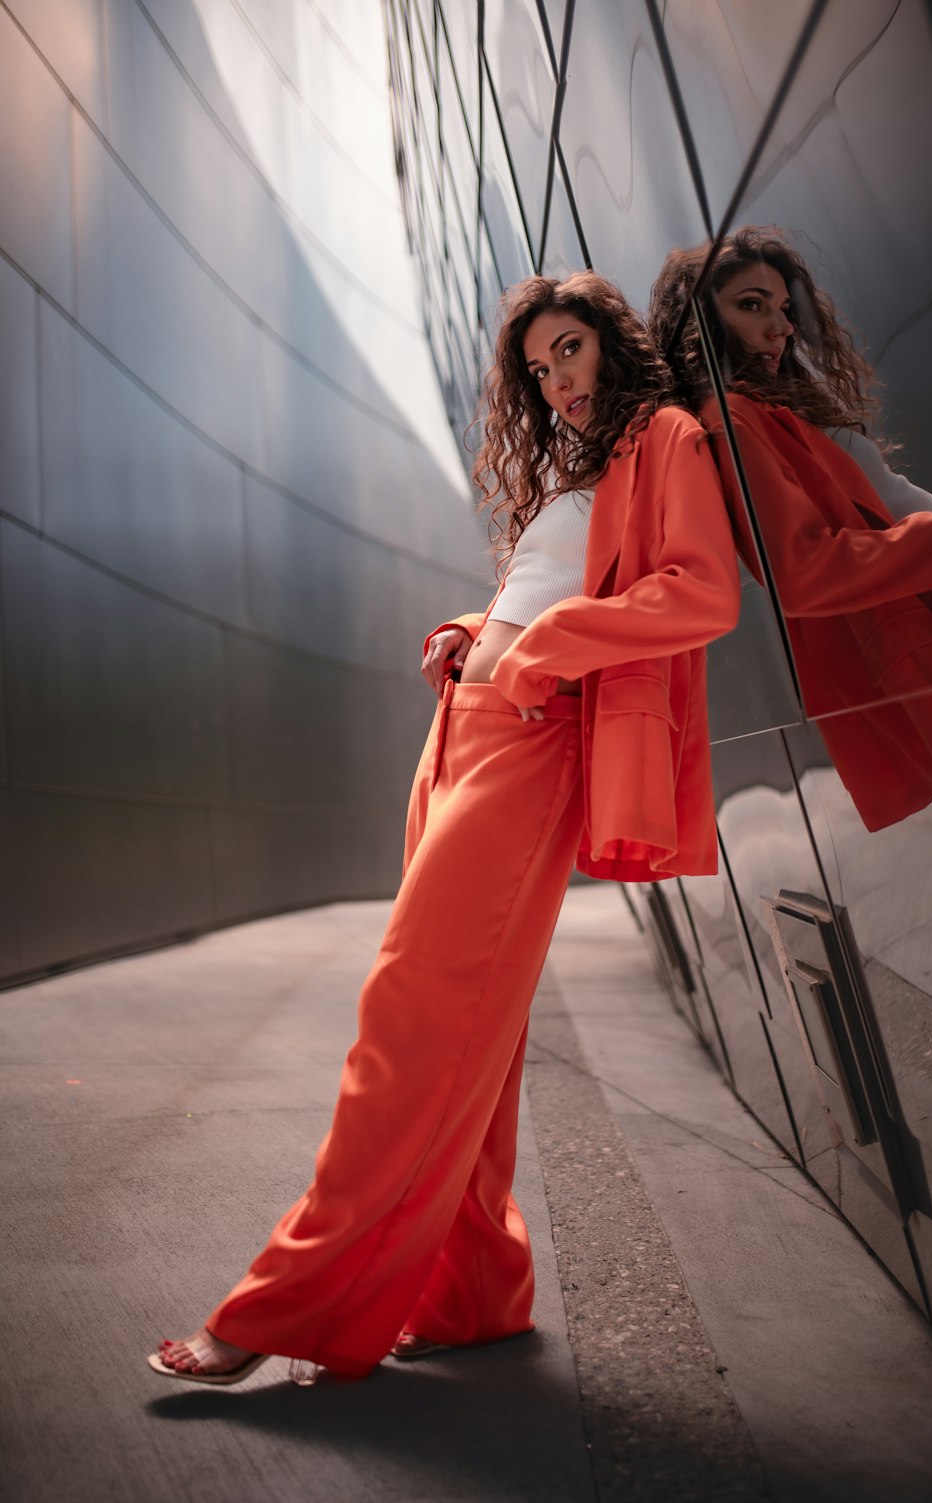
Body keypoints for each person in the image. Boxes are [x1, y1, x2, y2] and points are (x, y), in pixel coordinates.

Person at [149, 272, 740, 1385]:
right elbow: (544, 586)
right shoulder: (572, 466)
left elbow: (701, 593)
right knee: (476, 1037)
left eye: (568, 350)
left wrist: (543, 644)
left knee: (411, 1015)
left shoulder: (664, 437)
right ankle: (473, 1295)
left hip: (535, 739)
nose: (555, 379)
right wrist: (473, 630)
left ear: (611, 343)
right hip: (464, 729)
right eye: (536, 366)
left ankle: (286, 1303)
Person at [649, 227, 932, 832]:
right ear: (698, 320)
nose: (781, 328)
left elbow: (885, 504)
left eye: (784, 309)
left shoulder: (772, 408)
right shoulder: (728, 417)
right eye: (750, 305)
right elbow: (800, 570)